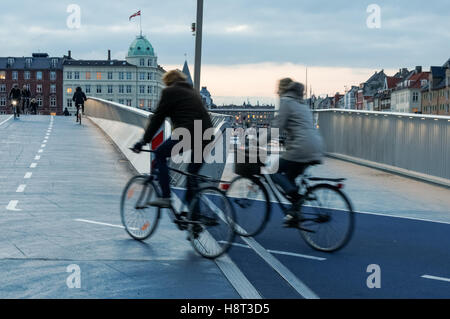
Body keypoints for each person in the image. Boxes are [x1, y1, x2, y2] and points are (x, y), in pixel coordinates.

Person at [132, 69, 213, 209]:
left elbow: (158, 118)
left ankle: (166, 197)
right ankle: (195, 219)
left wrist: (143, 141)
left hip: (187, 133)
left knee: (160, 153)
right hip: (206, 135)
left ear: (168, 82)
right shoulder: (192, 92)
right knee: (191, 175)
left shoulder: (169, 92)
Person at [271, 79, 325, 227]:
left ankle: (296, 200)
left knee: (272, 170)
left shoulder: (286, 102)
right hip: (315, 146)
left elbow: (277, 127)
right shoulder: (301, 103)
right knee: (289, 178)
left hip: (301, 148)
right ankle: (294, 212)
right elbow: (297, 127)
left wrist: (257, 141)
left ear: (282, 90)